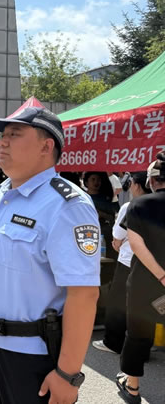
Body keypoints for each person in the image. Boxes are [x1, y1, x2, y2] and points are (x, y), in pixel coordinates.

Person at [0, 107, 100, 403]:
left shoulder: (66, 205)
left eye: (14, 134)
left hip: (30, 356)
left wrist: (68, 374)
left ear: (46, 146)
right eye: (2, 135)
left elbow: (83, 294)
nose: (3, 141)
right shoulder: (2, 194)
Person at [115, 153, 165, 403]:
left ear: (152, 180)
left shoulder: (139, 205)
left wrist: (162, 276)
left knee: (138, 334)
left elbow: (136, 245)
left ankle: (132, 388)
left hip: (144, 283)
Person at [93, 172, 151, 355]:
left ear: (137, 185)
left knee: (118, 302)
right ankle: (144, 346)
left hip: (128, 260)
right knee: (144, 304)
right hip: (154, 263)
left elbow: (117, 235)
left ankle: (113, 342)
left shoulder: (131, 206)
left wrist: (118, 243)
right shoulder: (158, 205)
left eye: (132, 183)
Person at [84, 171, 119, 262]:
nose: (96, 182)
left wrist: (101, 214)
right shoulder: (82, 198)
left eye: (98, 180)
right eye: (93, 179)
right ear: (86, 183)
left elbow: (113, 217)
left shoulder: (106, 198)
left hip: (104, 235)